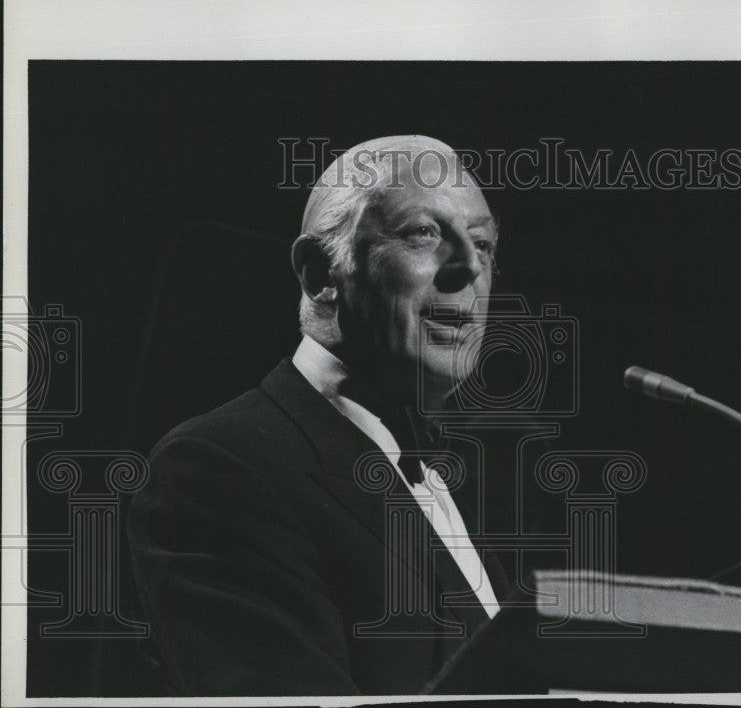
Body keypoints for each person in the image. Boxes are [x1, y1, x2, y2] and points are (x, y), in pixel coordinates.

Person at [127, 136, 511, 695]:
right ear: (319, 273)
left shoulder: (446, 477)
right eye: (423, 233)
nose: (469, 268)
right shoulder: (217, 469)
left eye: (484, 244)